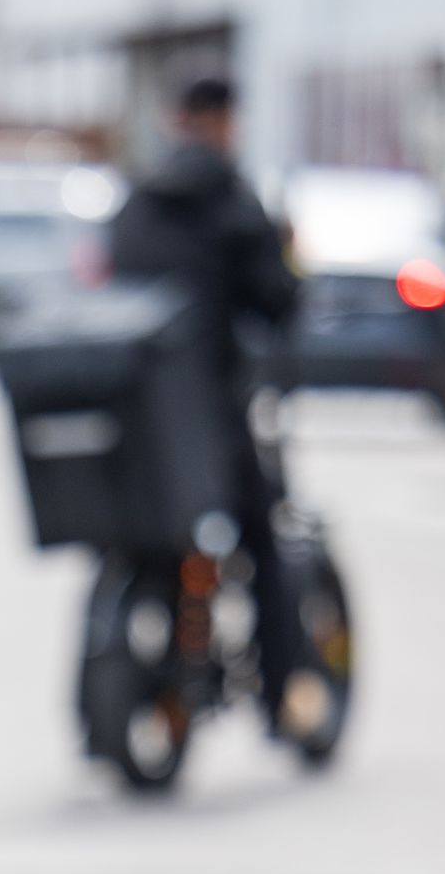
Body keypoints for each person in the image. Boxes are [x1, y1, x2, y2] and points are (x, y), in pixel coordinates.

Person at [107, 77, 314, 739]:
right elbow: (278, 300)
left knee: (133, 543)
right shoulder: (233, 200)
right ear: (226, 122)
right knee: (265, 544)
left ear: (175, 120)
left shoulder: (137, 199)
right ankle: (286, 697)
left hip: (136, 421)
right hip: (213, 418)